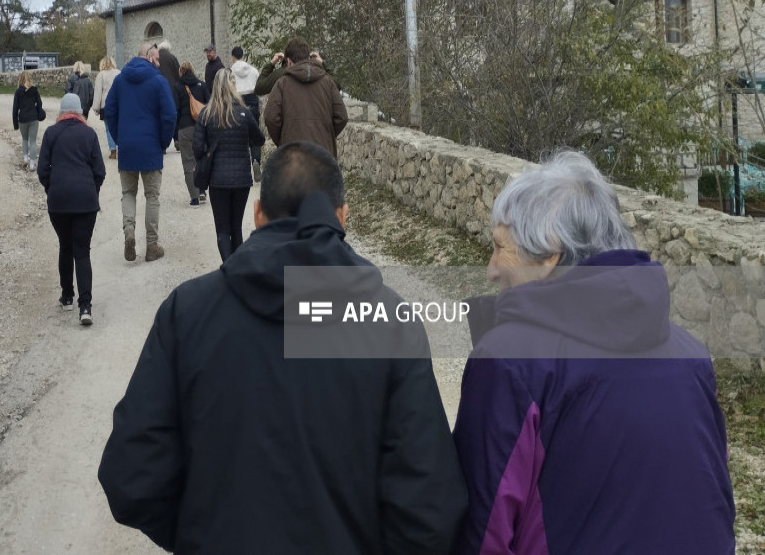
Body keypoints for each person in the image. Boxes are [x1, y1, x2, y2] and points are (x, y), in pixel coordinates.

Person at [99, 142, 467, 553]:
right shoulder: (390, 325)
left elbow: (131, 476)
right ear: (342, 217)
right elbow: (429, 507)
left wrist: (199, 535)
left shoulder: (187, 312)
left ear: (258, 214)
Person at [452, 150, 735, 555]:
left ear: (549, 252)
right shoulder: (691, 356)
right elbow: (716, 500)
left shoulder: (510, 360)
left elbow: (483, 532)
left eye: (500, 247)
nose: (491, 269)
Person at [103, 41, 177, 263]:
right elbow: (170, 115)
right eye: (156, 59)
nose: (158, 63)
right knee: (152, 196)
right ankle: (152, 246)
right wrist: (163, 142)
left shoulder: (120, 79)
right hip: (151, 147)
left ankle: (129, 231)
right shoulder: (157, 81)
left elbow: (110, 110)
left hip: (127, 147)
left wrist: (119, 138)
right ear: (148, 57)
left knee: (128, 193)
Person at [37, 93, 105, 326]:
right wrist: (91, 192)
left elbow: (42, 170)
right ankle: (85, 307)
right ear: (79, 113)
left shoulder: (50, 134)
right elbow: (100, 171)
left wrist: (52, 188)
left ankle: (67, 296)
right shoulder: (89, 134)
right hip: (86, 201)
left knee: (65, 247)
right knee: (82, 251)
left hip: (59, 201)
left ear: (61, 113)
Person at [193, 69, 265, 260]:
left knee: (222, 230)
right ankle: (237, 270)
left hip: (218, 180)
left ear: (214, 87)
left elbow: (197, 149)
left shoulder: (206, 114)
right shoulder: (243, 113)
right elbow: (259, 139)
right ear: (233, 86)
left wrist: (210, 149)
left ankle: (228, 269)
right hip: (241, 179)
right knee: (236, 228)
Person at [263, 37, 348, 158]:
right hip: (323, 154)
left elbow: (271, 118)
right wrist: (325, 136)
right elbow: (342, 117)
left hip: (292, 156)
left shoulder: (282, 84)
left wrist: (283, 141)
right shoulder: (328, 82)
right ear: (308, 58)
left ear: (289, 61)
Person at [173, 61, 210, 207]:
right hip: (201, 127)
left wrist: (175, 134)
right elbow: (210, 104)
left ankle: (194, 198)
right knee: (201, 159)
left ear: (181, 72)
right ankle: (202, 191)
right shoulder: (201, 85)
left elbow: (175, 110)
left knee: (188, 163)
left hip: (185, 128)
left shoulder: (177, 87)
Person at [229, 45, 263, 181]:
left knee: (238, 135)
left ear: (232, 57)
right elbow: (260, 88)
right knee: (254, 134)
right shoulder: (253, 70)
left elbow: (228, 90)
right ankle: (256, 161)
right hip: (252, 101)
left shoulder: (230, 71)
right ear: (243, 56)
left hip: (238, 102)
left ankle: (241, 167)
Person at [12, 71, 44, 171]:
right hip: (33, 118)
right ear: (29, 79)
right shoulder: (34, 90)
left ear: (20, 80)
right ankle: (32, 164)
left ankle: (25, 158)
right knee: (33, 141)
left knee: (25, 139)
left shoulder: (18, 92)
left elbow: (15, 108)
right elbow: (39, 104)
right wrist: (38, 112)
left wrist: (15, 124)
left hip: (22, 119)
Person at [93, 55, 121, 159]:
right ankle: (121, 148)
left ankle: (113, 151)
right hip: (118, 104)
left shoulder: (101, 75)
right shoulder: (119, 73)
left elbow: (98, 92)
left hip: (106, 105)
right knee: (119, 126)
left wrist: (96, 107)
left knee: (109, 129)